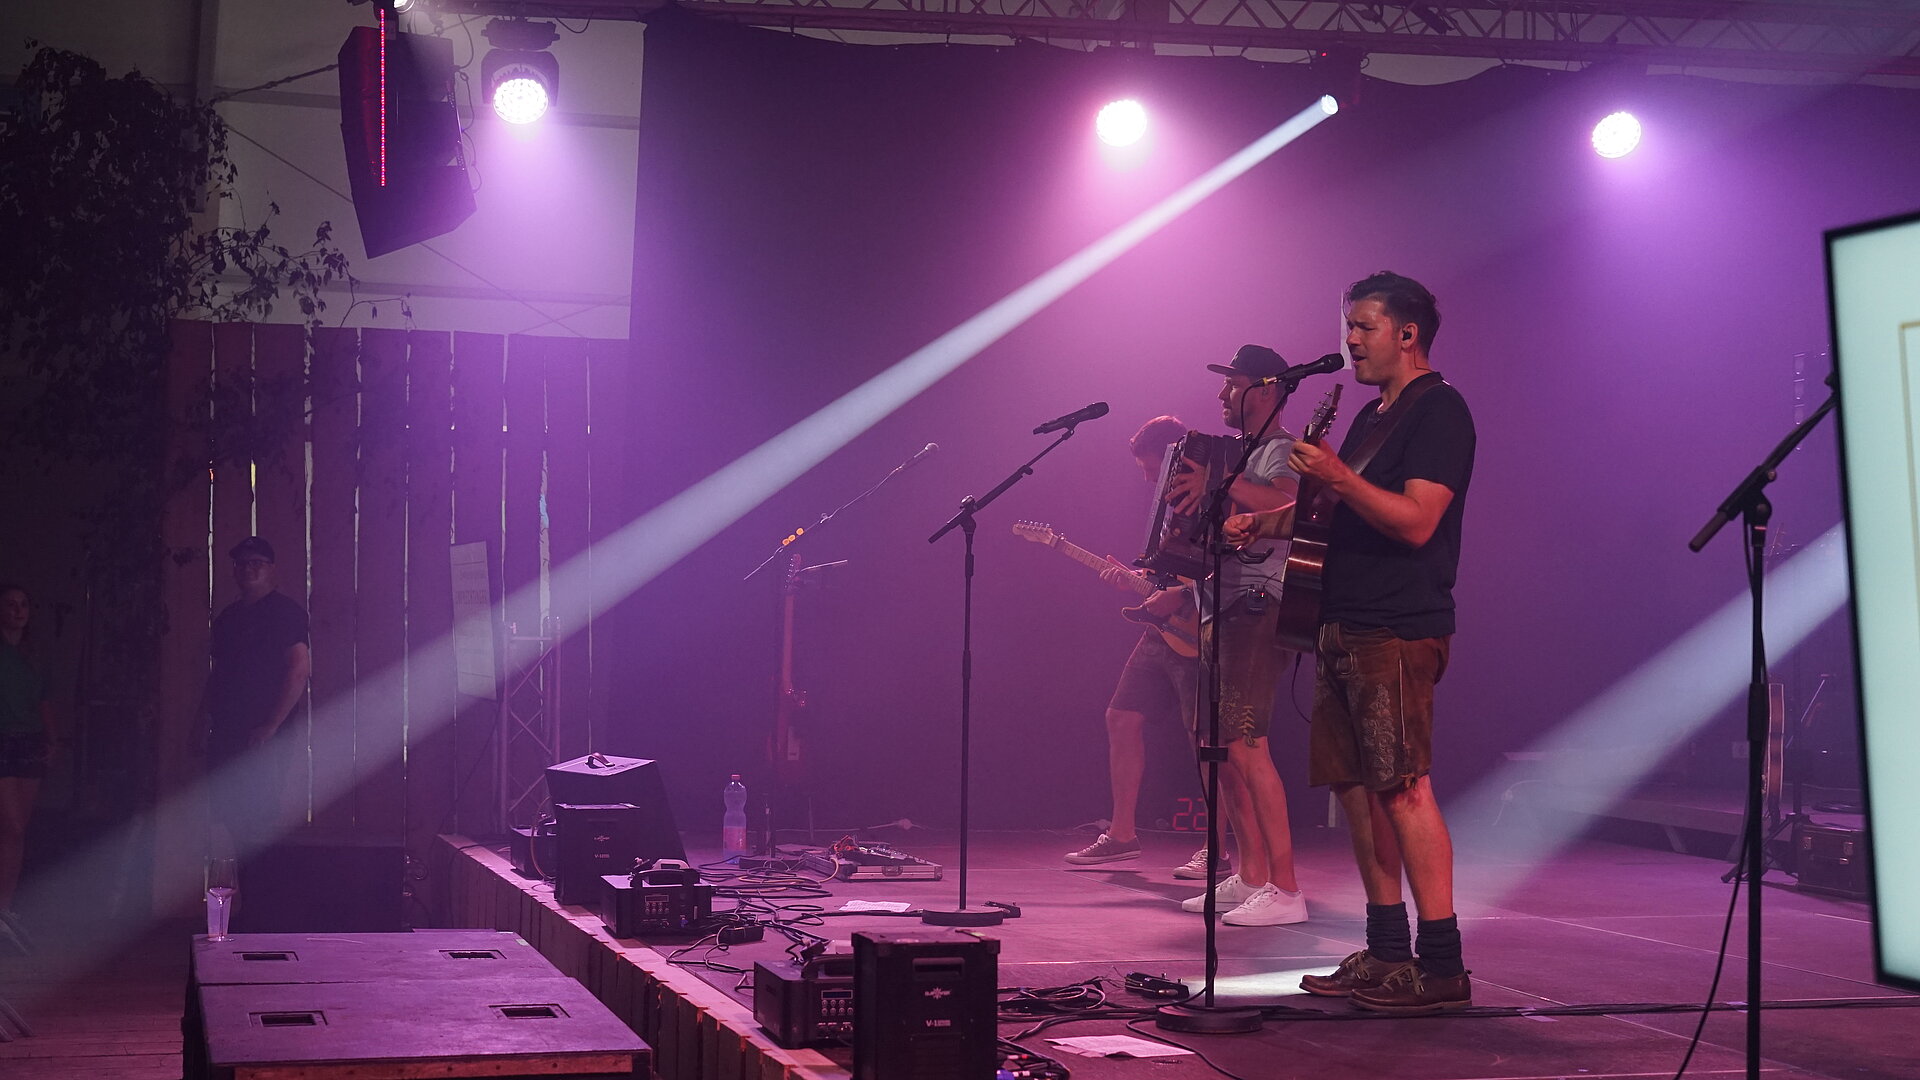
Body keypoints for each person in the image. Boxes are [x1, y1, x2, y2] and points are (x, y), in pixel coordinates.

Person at [1227, 271, 1476, 1011]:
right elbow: (1334, 512)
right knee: (1358, 791)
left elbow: (1417, 521)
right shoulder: (1372, 415)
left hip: (1396, 625)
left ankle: (1442, 966)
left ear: (1408, 334)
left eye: (1365, 326)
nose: (1351, 340)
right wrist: (1261, 523)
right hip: (1342, 621)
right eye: (1349, 325)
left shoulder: (1441, 411)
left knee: (1403, 786)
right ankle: (1387, 950)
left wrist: (1335, 471)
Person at [1157, 345, 1308, 926]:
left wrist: (1222, 480)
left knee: (1246, 744)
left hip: (1258, 603)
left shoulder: (1283, 449)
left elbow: (1288, 504)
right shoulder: (1238, 451)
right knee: (1219, 749)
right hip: (1218, 605)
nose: (1222, 394)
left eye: (1233, 384)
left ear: (1265, 390)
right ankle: (1252, 875)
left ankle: (1287, 890)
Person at [1063, 416, 1225, 880]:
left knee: (1208, 741)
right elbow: (1170, 570)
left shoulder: (1213, 496)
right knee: (1121, 717)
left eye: (1154, 469)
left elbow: (1235, 563)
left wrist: (1184, 594)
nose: (1149, 480)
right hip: (1160, 632)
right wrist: (1139, 582)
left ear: (1178, 459)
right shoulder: (1165, 507)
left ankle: (1216, 850)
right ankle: (1122, 836)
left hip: (1202, 630)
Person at [203, 537, 310, 859]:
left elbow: (299, 668)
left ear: (271, 569)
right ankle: (242, 887)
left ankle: (263, 886)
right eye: (242, 564)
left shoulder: (286, 613)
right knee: (228, 816)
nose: (248, 569)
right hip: (227, 730)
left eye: (256, 563)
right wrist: (202, 719)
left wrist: (272, 725)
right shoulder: (228, 618)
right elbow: (219, 673)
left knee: (259, 818)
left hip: (263, 735)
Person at [0, 583, 53, 952]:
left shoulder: (34, 654)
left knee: (16, 833)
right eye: (10, 604)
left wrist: (52, 738)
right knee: (12, 823)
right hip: (2, 738)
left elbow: (44, 698)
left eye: (23, 604)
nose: (18, 610)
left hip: (30, 740)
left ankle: (5, 909)